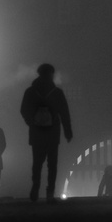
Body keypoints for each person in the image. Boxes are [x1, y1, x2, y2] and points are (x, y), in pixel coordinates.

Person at [19, 63, 72, 203]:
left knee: (37, 163)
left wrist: (32, 122)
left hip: (36, 133)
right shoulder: (57, 93)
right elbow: (64, 113)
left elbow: (23, 110)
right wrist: (67, 131)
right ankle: (50, 193)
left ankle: (35, 187)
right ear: (51, 75)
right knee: (52, 164)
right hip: (53, 133)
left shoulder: (30, 92)